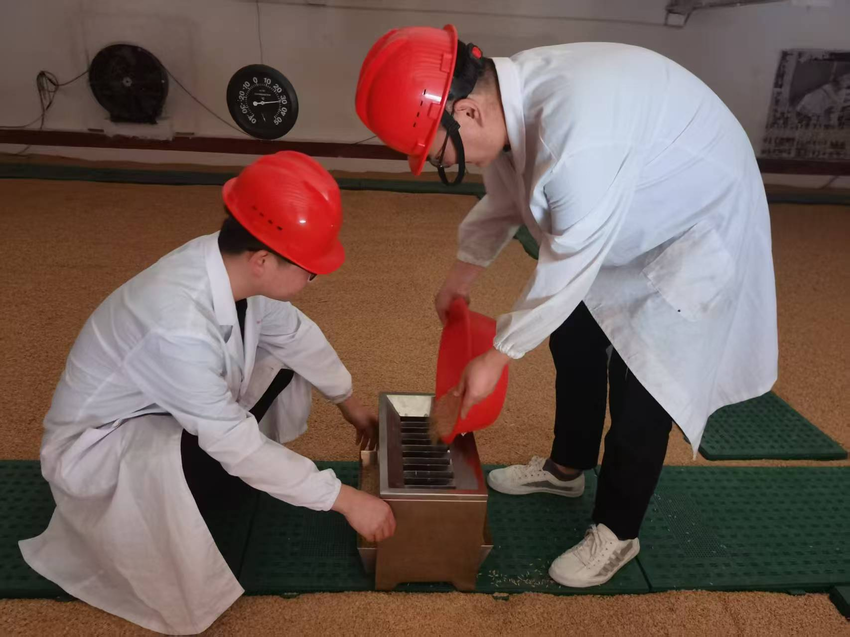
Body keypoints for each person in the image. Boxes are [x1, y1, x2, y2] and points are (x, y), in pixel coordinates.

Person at [356, 26, 777, 587]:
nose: (445, 164)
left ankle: (618, 531)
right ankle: (566, 468)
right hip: (628, 196)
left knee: (644, 382)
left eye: (438, 155)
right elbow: (506, 197)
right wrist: (461, 276)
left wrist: (498, 355)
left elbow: (569, 266)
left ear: (467, 112)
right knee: (575, 334)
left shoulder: (573, 137)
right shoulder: (512, 102)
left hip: (693, 220)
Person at [19, 152, 396, 634]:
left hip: (159, 409)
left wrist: (349, 403)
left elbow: (295, 335)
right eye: (310, 269)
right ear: (263, 260)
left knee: (283, 361)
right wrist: (346, 500)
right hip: (99, 450)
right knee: (232, 450)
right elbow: (233, 442)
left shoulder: (226, 265)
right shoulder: (176, 323)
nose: (311, 279)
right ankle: (159, 508)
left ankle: (215, 484)